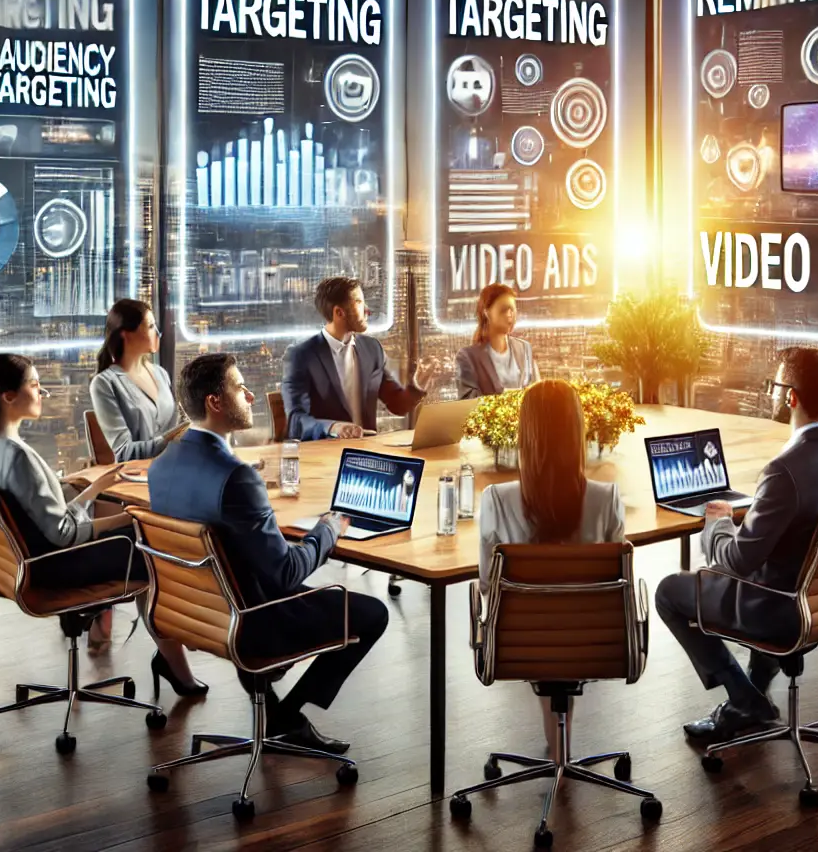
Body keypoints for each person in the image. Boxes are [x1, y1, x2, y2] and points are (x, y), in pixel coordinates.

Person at [147, 352, 389, 754]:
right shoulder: (237, 476)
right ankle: (287, 718)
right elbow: (284, 572)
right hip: (251, 621)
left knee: (285, 588)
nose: (251, 396)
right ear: (215, 402)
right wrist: (330, 528)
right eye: (241, 388)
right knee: (371, 613)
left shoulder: (161, 465)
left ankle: (278, 714)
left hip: (197, 613)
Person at [655, 348, 818, 743]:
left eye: (775, 386)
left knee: (670, 590)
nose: (773, 393)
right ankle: (751, 699)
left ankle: (744, 697)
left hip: (784, 611)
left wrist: (719, 521)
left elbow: (737, 562)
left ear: (790, 396)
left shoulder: (783, 471)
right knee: (776, 566)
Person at [0, 353, 205, 694]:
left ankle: (176, 657)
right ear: (8, 396)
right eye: (35, 385)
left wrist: (93, 490)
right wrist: (125, 518)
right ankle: (186, 640)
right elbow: (63, 534)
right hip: (55, 568)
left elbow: (48, 517)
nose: (42, 392)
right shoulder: (19, 456)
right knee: (153, 546)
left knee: (140, 535)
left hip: (36, 561)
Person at [476, 379, 625, 756]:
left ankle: (558, 746)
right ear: (578, 431)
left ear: (526, 434)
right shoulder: (606, 499)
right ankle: (561, 747)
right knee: (568, 618)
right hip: (594, 642)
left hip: (521, 644)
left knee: (542, 623)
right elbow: (614, 581)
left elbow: (485, 584)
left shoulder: (496, 499)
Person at [282, 276, 432, 440]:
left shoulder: (372, 348)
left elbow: (397, 405)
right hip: (325, 455)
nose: (367, 310)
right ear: (339, 312)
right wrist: (333, 427)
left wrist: (418, 385)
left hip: (367, 452)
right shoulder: (301, 355)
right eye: (359, 302)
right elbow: (296, 421)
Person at [89, 299, 187, 462]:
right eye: (149, 326)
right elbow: (124, 452)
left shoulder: (161, 374)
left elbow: (176, 425)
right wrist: (171, 440)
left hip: (173, 467)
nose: (157, 332)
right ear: (126, 334)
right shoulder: (105, 384)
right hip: (136, 478)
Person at [455, 283, 540, 398]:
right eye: (504, 310)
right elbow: (467, 401)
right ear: (486, 313)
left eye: (513, 310)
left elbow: (538, 392)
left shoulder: (525, 348)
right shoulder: (467, 357)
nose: (510, 315)